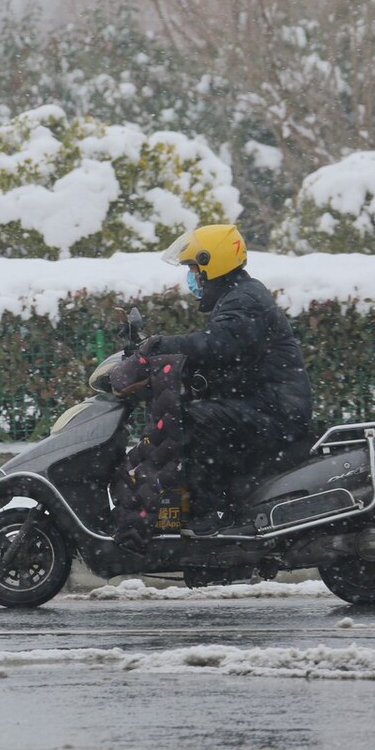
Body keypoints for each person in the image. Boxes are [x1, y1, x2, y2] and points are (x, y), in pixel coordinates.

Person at [139, 223, 313, 536]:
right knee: (190, 411)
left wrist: (163, 346)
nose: (190, 278)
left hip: (276, 411)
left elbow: (218, 344)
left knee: (194, 421)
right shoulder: (239, 295)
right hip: (266, 404)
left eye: (193, 269)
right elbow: (230, 359)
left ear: (211, 265)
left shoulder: (244, 301)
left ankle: (212, 514)